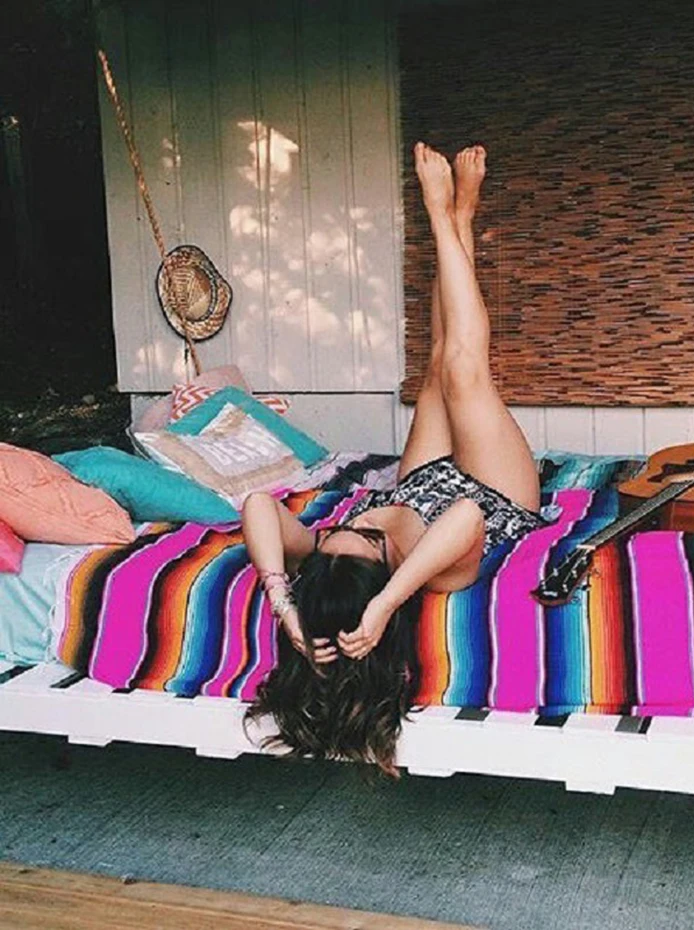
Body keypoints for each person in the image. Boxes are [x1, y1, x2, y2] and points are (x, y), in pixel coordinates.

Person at [242, 142, 547, 775]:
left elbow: (259, 505)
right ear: (382, 574)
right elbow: (467, 515)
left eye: (338, 539)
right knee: (464, 371)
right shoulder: (424, 572)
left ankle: (461, 218)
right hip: (496, 495)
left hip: (421, 483)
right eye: (362, 542)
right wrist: (385, 605)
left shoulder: (324, 561)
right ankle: (444, 215)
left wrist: (283, 603)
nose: (351, 530)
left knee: (437, 363)